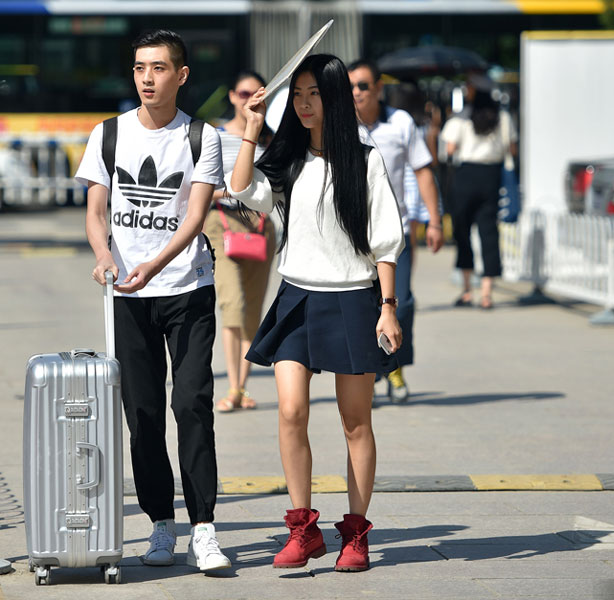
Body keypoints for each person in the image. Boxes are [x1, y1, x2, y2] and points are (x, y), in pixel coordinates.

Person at [227, 54, 404, 572]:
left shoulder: (366, 160)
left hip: (353, 298)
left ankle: (355, 534)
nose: (303, 105)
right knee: (289, 411)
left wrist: (387, 308)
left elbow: (386, 242)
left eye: (313, 94)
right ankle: (303, 530)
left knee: (355, 423)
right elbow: (241, 191)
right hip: (297, 297)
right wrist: (252, 129)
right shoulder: (286, 159)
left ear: (334, 98)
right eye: (297, 95)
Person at [77, 29, 230, 571]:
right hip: (127, 295)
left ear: (181, 76)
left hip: (186, 288)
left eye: (159, 68)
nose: (147, 77)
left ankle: (204, 528)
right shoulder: (108, 134)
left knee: (191, 403)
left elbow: (195, 216)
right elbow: (97, 211)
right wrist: (104, 255)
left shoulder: (201, 138)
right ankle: (161, 523)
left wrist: (156, 264)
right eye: (141, 67)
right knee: (141, 414)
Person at [347, 59, 443, 404]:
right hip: (353, 236)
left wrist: (434, 220)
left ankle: (395, 367)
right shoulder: (340, 124)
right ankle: (372, 373)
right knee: (365, 308)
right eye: (350, 86)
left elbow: (423, 171)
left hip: (395, 234)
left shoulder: (399, 123)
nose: (355, 93)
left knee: (400, 305)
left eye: (362, 86)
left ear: (378, 88)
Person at [205, 70, 277, 413]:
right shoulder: (214, 137)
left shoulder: (272, 140)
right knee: (231, 304)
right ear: (232, 96)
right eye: (243, 93)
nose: (249, 100)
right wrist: (235, 191)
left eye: (256, 94)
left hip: (261, 225)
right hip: (221, 221)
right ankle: (233, 387)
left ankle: (241, 387)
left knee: (252, 311)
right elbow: (200, 187)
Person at [440, 88, 512, 309]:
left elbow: (449, 149)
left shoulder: (462, 117)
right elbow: (512, 147)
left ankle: (467, 291)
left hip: (466, 175)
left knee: (462, 232)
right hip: (491, 175)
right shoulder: (503, 117)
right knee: (489, 232)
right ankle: (487, 293)